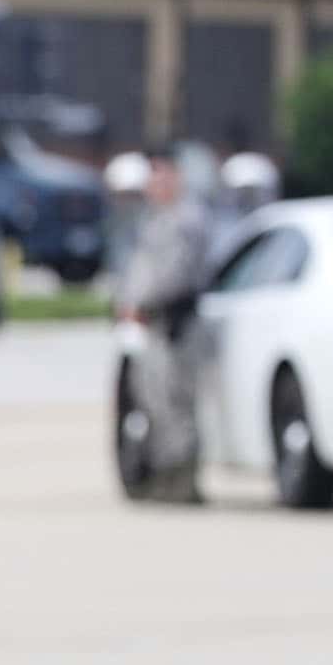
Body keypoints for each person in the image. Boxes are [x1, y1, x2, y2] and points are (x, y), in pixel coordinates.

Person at [116, 151, 208, 505]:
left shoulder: (186, 219)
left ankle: (184, 480)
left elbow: (177, 275)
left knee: (176, 402)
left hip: (175, 323)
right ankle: (167, 475)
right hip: (151, 325)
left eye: (162, 176)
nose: (156, 185)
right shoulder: (156, 218)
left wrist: (147, 303)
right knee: (155, 400)